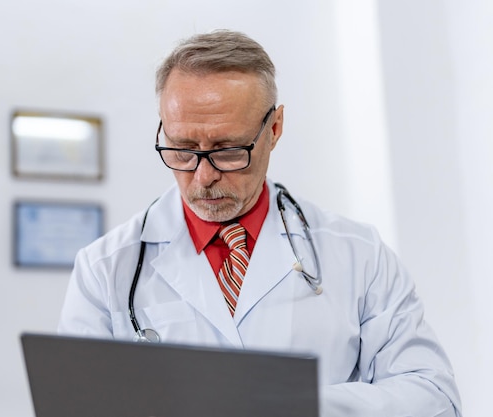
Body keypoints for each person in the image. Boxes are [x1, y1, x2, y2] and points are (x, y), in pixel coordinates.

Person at [58, 29, 462, 416]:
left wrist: (294, 405)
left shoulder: (359, 254)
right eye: (182, 149)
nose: (203, 176)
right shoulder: (105, 268)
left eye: (227, 150)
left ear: (274, 129)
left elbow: (435, 398)